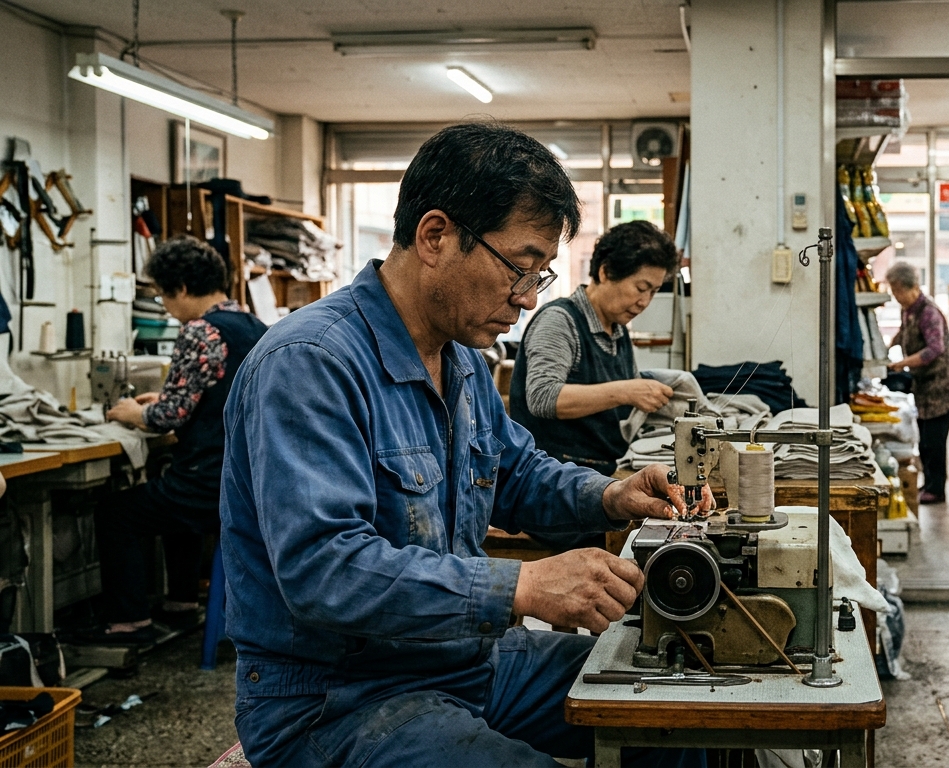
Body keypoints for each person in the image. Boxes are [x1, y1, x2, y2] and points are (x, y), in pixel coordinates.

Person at [220, 123, 705, 767]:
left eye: (541, 274)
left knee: (672, 705)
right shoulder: (310, 363)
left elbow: (516, 475)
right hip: (335, 699)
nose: (528, 299)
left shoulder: (465, 360)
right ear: (436, 236)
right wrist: (521, 587)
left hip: (462, 660)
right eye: (519, 269)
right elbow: (323, 569)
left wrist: (613, 495)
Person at [88, 236, 267, 644]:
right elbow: (206, 397)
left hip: (210, 484)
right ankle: (181, 603)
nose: (165, 308)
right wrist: (166, 400)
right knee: (169, 485)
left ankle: (128, 623)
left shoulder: (199, 331)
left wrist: (134, 412)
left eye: (164, 297)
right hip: (248, 481)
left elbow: (169, 416)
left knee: (116, 513)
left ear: (182, 288)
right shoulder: (254, 326)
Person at [510, 220, 679, 475]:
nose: (645, 302)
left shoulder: (618, 330)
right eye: (641, 288)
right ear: (605, 271)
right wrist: (627, 391)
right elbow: (542, 397)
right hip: (552, 479)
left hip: (602, 473)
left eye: (653, 292)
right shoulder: (560, 320)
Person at [885, 261, 949, 504]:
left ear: (913, 287)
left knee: (935, 441)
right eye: (893, 291)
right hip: (924, 388)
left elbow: (935, 349)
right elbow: (903, 332)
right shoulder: (908, 310)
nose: (896, 296)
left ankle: (936, 489)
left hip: (941, 387)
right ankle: (928, 484)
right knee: (926, 442)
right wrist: (888, 346)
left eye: (899, 291)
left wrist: (903, 362)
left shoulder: (929, 312)